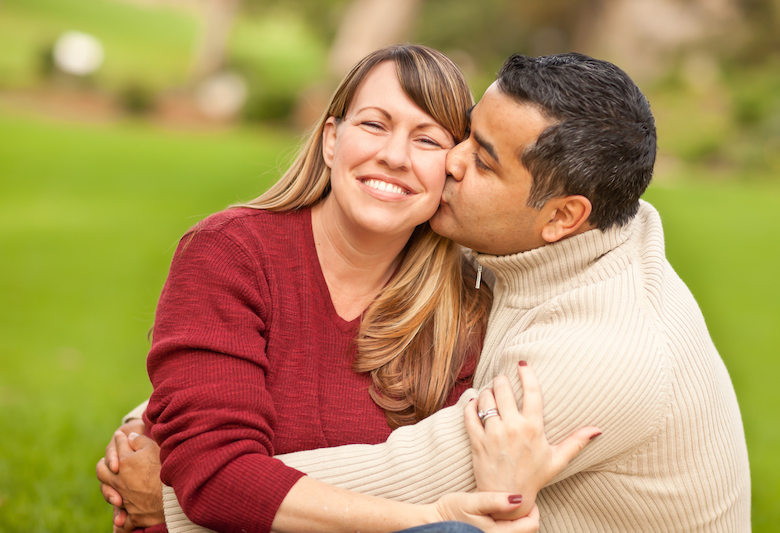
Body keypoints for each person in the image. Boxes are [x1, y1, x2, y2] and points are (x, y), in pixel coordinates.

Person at [155, 52, 751, 532]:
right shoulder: (547, 239)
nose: (451, 164)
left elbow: (415, 479)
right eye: (465, 137)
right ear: (330, 137)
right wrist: (166, 422)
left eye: (482, 160)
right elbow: (224, 372)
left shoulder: (600, 353)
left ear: (564, 216)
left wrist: (170, 492)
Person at [97, 45, 597, 533]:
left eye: (427, 140)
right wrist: (428, 518)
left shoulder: (460, 304)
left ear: (453, 166)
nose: (394, 156)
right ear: (332, 139)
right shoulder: (232, 252)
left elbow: (465, 476)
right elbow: (216, 476)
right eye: (374, 124)